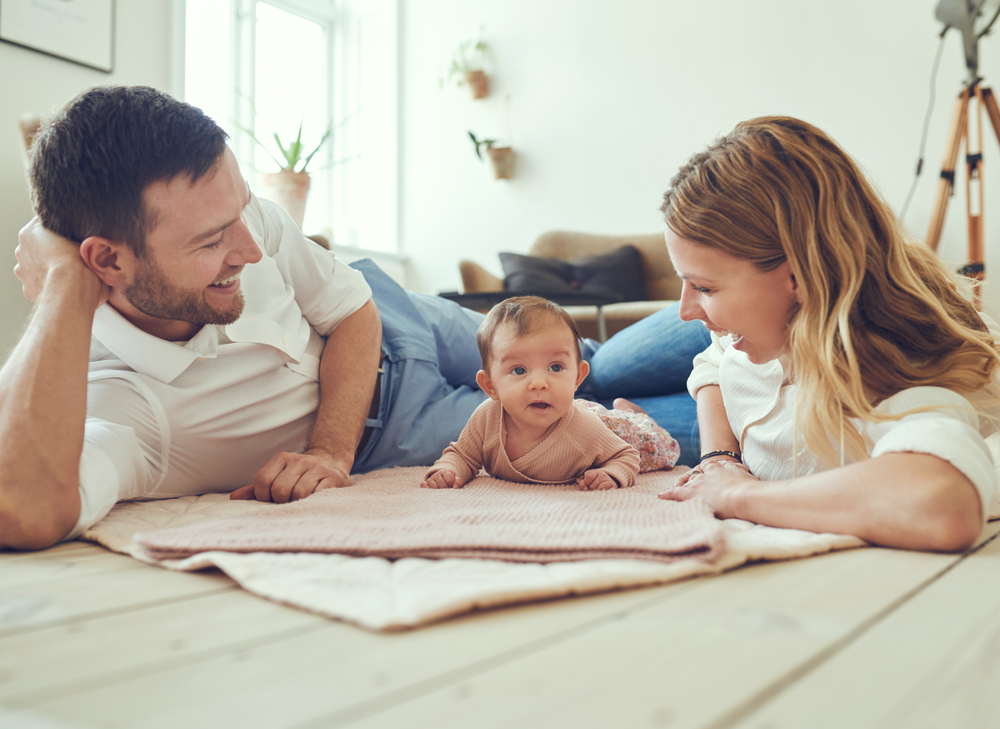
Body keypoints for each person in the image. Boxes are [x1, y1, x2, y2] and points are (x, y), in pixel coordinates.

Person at [0, 85, 708, 551]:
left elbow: (352, 309)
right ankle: (793, 393)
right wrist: (63, 280)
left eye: (241, 211)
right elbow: (20, 507)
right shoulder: (116, 403)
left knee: (593, 362)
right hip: (394, 424)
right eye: (211, 241)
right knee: (639, 428)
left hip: (394, 320)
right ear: (106, 261)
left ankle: (794, 310)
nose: (250, 247)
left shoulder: (243, 222)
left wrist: (327, 453)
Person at [655, 116, 999, 552]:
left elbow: (942, 503)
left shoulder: (890, 378)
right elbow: (711, 360)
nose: (684, 310)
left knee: (577, 400)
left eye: (703, 287)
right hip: (735, 397)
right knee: (590, 372)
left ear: (800, 276)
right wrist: (718, 458)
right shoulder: (757, 323)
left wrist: (733, 493)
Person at [421, 297, 677, 491]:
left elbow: (626, 455)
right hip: (588, 417)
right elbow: (463, 455)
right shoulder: (486, 418)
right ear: (490, 386)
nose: (539, 383)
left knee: (653, 444)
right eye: (519, 370)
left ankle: (633, 415)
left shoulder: (584, 429)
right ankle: (625, 408)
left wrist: (611, 474)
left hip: (613, 429)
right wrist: (449, 469)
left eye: (555, 367)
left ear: (577, 376)